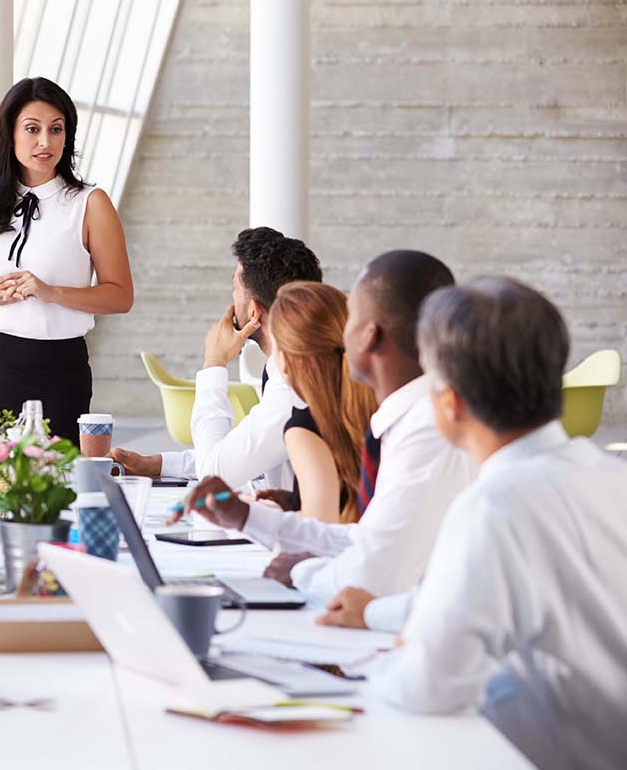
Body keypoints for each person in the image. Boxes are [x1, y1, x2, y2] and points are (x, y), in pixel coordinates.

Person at [369, 277, 627, 770]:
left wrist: (405, 653)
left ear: (450, 403)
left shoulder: (497, 506)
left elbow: (426, 688)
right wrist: (386, 616)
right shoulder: (607, 473)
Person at [173, 250, 473, 609]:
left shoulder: (428, 429)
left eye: (350, 317)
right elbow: (367, 539)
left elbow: (371, 573)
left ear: (367, 335)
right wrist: (247, 517)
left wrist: (299, 571)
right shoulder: (409, 417)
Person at [0, 77, 133, 452]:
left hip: (58, 370)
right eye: (32, 129)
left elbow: (120, 296)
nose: (45, 142)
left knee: (52, 492)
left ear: (68, 137)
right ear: (10, 135)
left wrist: (51, 293)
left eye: (56, 129)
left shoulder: (90, 203)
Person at [112, 227, 322, 491]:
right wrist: (158, 464)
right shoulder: (300, 366)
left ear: (255, 311)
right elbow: (239, 456)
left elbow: (215, 474)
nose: (231, 302)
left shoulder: (291, 386)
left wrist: (214, 363)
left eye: (235, 290)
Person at [267, 281, 377, 523]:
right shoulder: (378, 408)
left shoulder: (303, 430)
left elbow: (318, 535)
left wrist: (261, 519)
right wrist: (294, 502)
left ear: (283, 360)